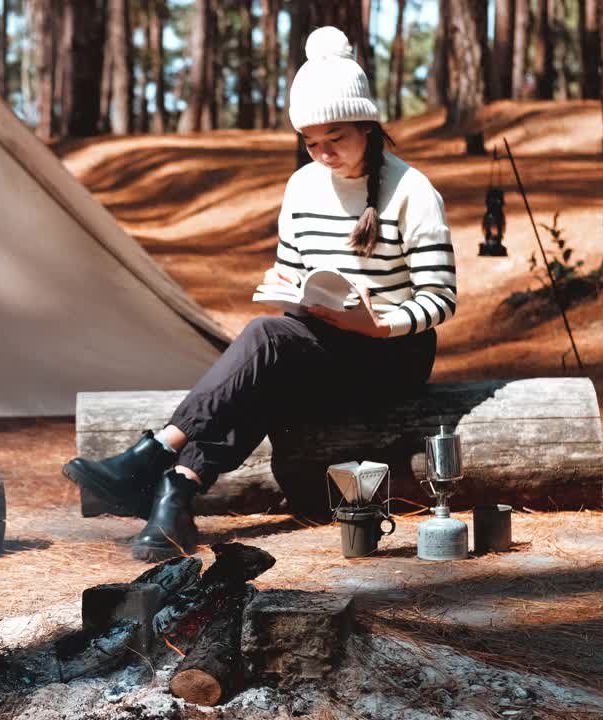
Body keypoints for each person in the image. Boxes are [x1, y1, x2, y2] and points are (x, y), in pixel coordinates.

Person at [62, 26, 457, 562]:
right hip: (325, 344)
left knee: (264, 342)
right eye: (311, 142)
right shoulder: (301, 188)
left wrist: (378, 324)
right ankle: (177, 490)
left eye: (335, 138)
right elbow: (292, 271)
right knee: (265, 364)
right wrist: (288, 289)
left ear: (367, 123)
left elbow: (440, 298)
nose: (323, 154)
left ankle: (155, 455)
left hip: (393, 356)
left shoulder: (412, 191)